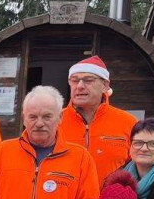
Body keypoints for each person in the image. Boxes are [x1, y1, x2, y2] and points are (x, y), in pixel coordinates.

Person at [57, 56, 137, 184]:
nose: (80, 86)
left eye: (88, 80)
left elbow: (139, 167)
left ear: (105, 85)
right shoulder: (54, 122)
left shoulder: (129, 122)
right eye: (74, 80)